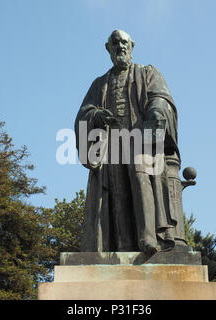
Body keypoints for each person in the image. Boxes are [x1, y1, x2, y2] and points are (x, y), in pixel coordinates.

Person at [75, 30, 186, 254]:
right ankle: (124, 244)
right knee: (117, 191)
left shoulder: (148, 73)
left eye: (124, 42)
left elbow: (161, 100)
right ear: (108, 49)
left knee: (140, 178)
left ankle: (148, 237)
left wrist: (155, 112)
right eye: (115, 43)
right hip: (112, 145)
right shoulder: (99, 84)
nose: (120, 47)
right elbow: (83, 114)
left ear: (132, 46)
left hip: (141, 138)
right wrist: (96, 116)